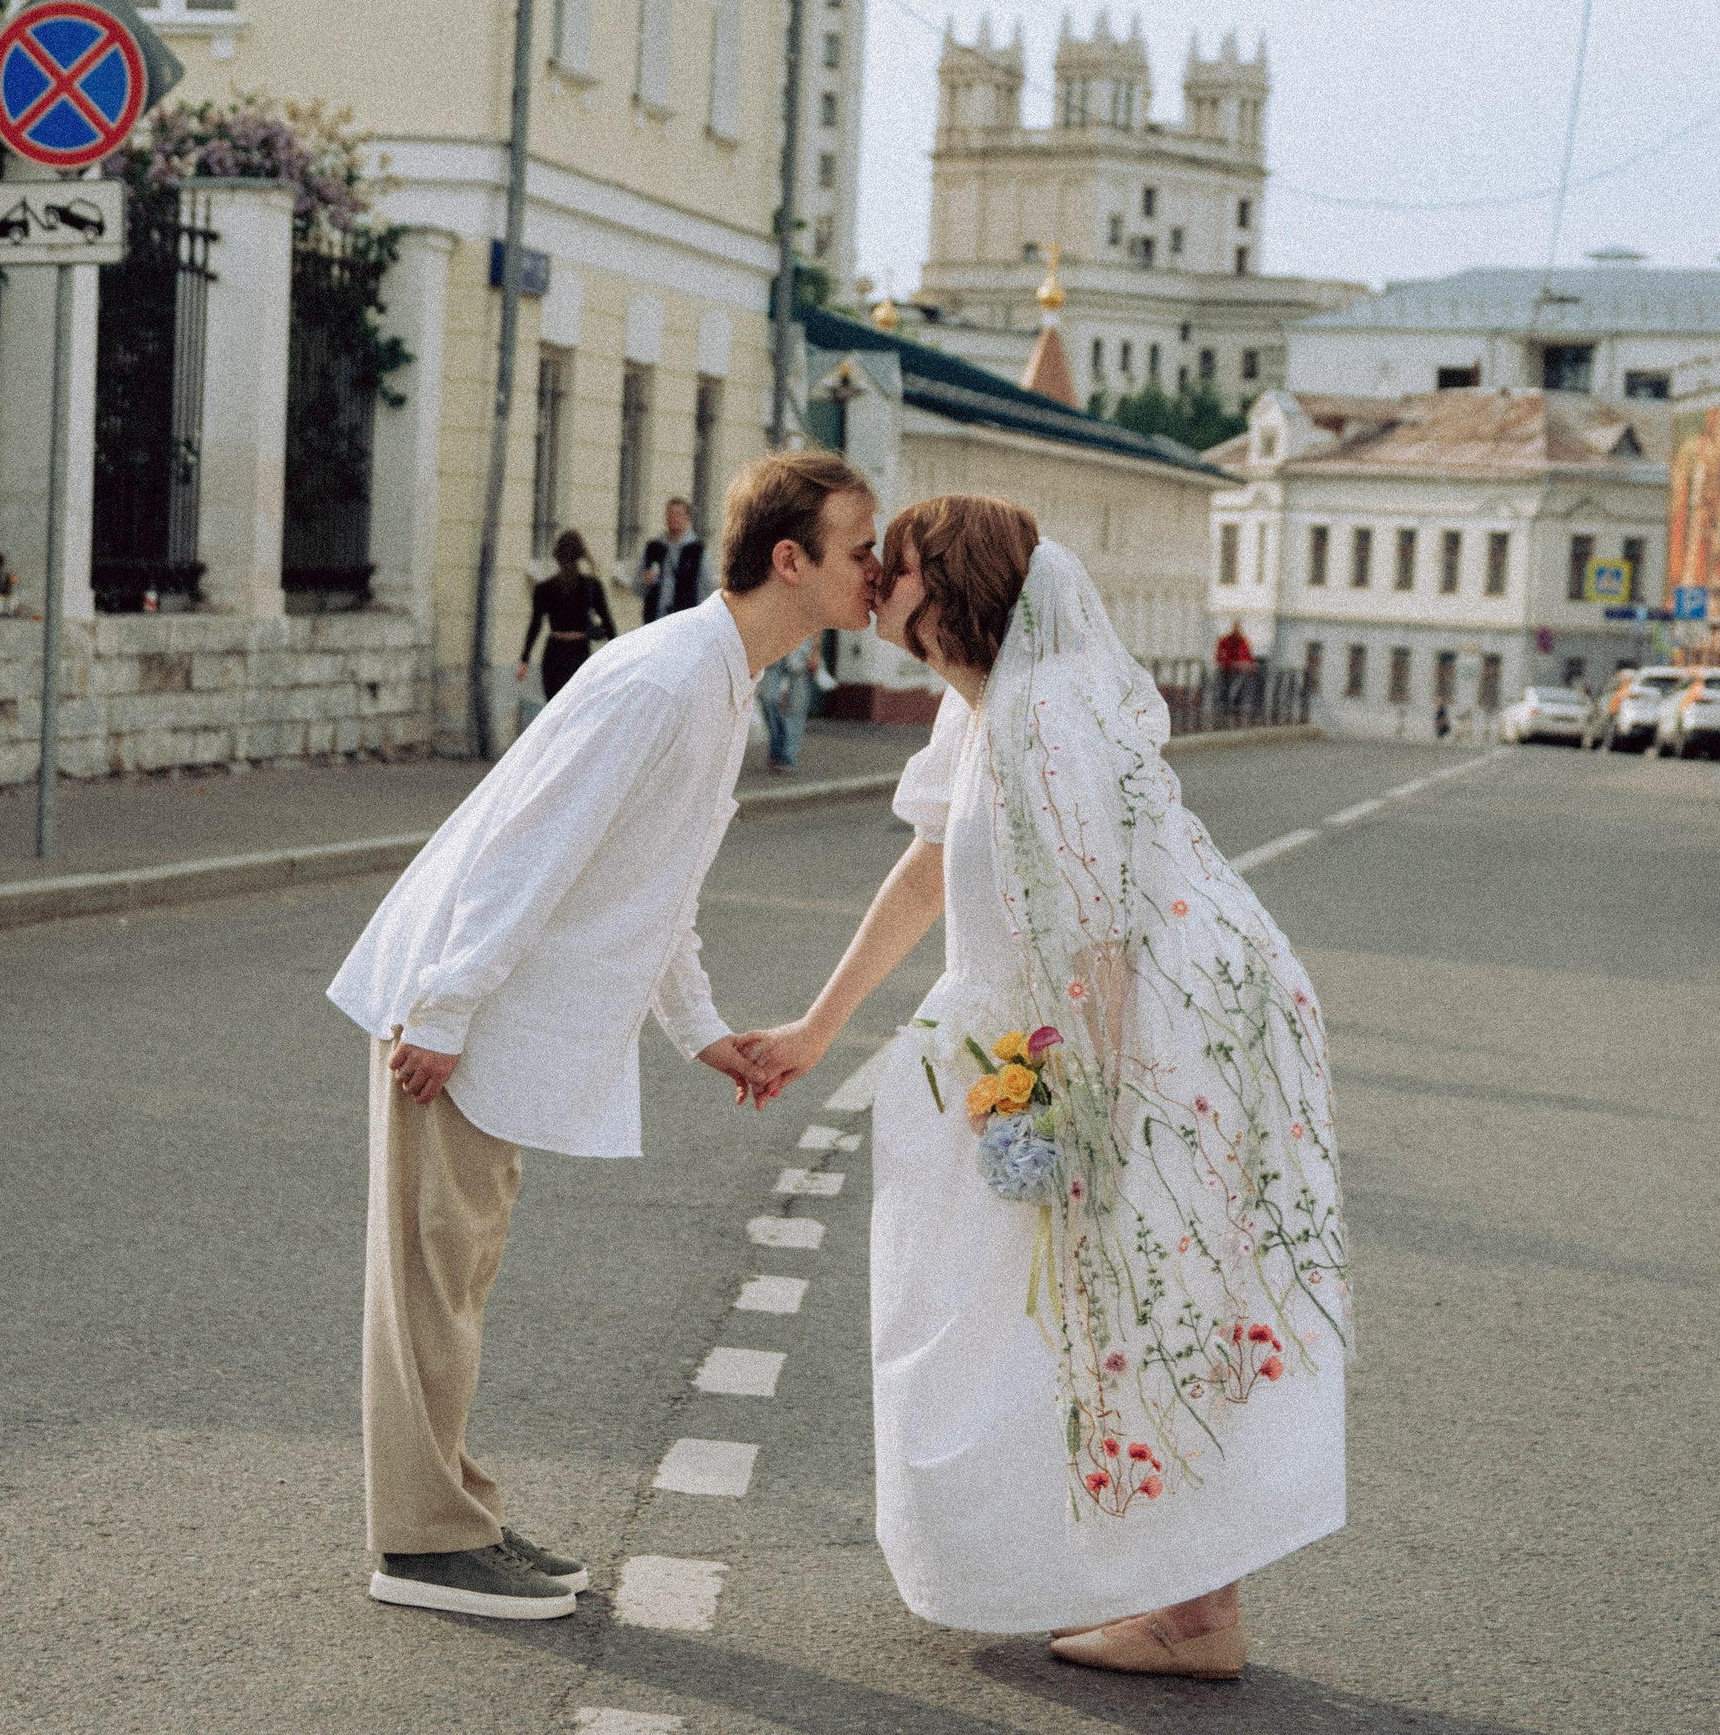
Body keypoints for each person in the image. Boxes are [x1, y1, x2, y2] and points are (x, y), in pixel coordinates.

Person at [739, 496, 1347, 1678]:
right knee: (1078, 1305)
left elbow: (1102, 929)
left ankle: (1192, 1610)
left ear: (945, 582)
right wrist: (820, 1023)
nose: (872, 579)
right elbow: (929, 868)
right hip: (1080, 1017)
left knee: (1132, 1291)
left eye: (893, 562)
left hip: (1158, 1029)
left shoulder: (1046, 709)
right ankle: (1179, 1599)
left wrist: (1090, 1105)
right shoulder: (981, 713)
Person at [327, 448, 881, 1626]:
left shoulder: (718, 679)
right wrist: (443, 1007)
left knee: (456, 1273)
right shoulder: (667, 678)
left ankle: (452, 1513)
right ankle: (423, 1541)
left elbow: (656, 879)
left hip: (502, 1020)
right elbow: (530, 841)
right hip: (465, 1019)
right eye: (862, 546)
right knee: (431, 1280)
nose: (878, 569)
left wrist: (701, 1029)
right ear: (792, 558)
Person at [520, 531, 616, 703]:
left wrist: (525, 659)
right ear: (581, 555)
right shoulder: (592, 586)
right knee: (576, 706)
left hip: (554, 652)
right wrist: (617, 654)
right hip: (579, 651)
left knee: (554, 706)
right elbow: (608, 621)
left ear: (556, 556)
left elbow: (535, 624)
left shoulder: (544, 588)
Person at [638, 496, 706, 622]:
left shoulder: (697, 550)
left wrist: (698, 618)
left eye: (678, 514)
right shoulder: (654, 548)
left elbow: (704, 587)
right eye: (670, 514)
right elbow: (637, 584)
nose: (673, 518)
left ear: (688, 518)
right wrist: (645, 583)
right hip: (655, 618)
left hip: (684, 620)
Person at [756, 640, 814, 770]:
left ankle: (788, 758)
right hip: (775, 648)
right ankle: (777, 748)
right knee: (768, 698)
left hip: (802, 651)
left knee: (795, 708)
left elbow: (819, 625)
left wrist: (815, 653)